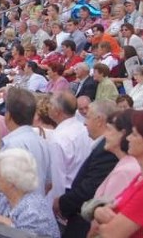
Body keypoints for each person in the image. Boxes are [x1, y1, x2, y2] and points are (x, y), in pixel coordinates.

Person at [55, 100, 119, 238]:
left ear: (99, 120)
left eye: (88, 117)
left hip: (84, 221)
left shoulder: (107, 150)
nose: (84, 123)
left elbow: (90, 188)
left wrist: (62, 203)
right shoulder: (100, 145)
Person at [0, 148, 60, 238]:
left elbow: (26, 234)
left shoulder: (34, 210)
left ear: (10, 181)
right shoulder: (3, 199)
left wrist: (5, 222)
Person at [2, 86, 51, 194]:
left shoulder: (9, 144)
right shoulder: (43, 142)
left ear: (8, 115)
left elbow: (5, 186)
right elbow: (48, 183)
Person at [47, 91, 92, 203]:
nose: (48, 107)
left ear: (57, 111)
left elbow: (57, 177)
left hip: (67, 193)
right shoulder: (83, 128)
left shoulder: (58, 138)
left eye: (51, 105)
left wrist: (58, 203)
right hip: (82, 189)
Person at [93, 110, 141, 201]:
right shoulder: (126, 163)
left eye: (109, 129)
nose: (104, 135)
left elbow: (108, 207)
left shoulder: (125, 171)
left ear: (122, 134)